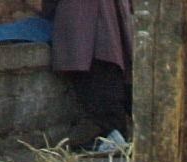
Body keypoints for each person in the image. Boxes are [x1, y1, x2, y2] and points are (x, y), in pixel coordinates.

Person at [41, 0, 133, 148]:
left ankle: (114, 133)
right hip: (101, 19)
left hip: (86, 20)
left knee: (98, 75)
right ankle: (114, 132)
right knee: (107, 69)